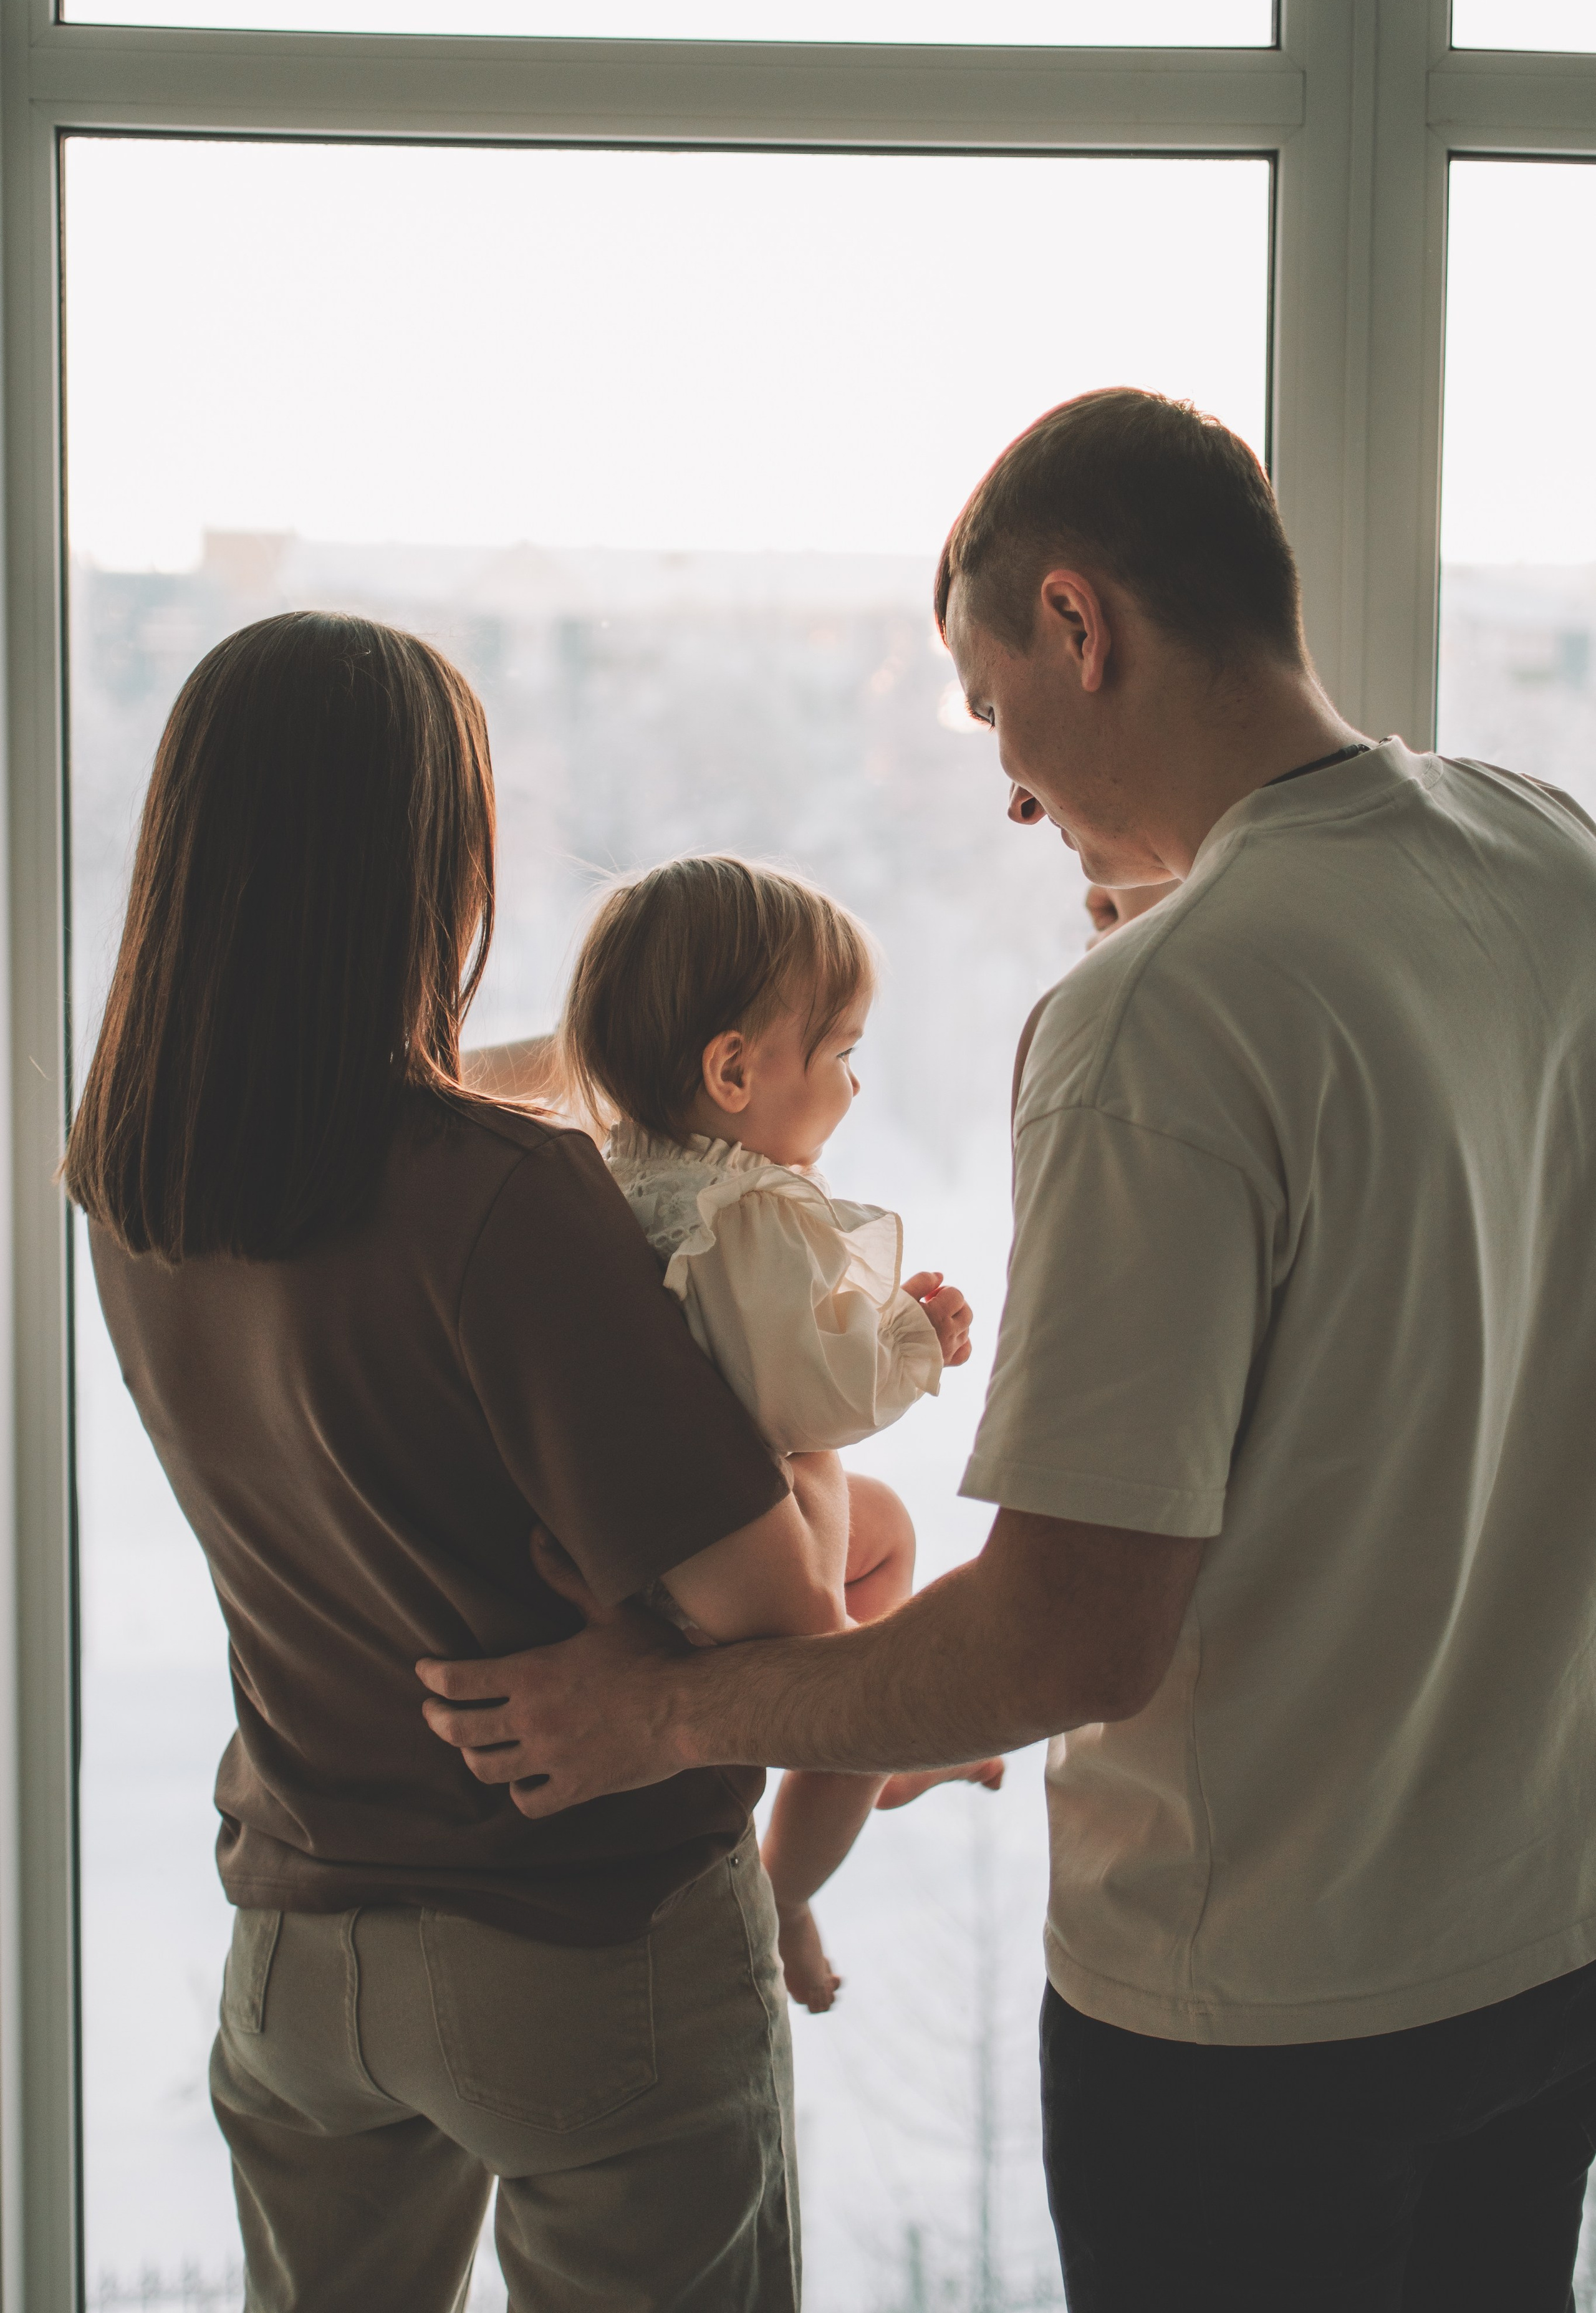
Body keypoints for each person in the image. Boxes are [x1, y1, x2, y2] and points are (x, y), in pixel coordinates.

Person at [421, 387, 1596, 2312]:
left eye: (989, 709)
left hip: (1254, 2024)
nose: (1010, 788)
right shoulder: (1552, 863)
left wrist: (664, 1717)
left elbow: (1074, 1632)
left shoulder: (1164, 1016)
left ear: (1079, 626)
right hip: (1543, 1954)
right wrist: (887, 1704)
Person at [65, 611, 850, 2313]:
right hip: (583, 1946)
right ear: (432, 863)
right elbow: (780, 1611)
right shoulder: (504, 1207)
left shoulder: (136, 1184)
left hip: (298, 1951)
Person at [560, 852, 998, 2012]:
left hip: (657, 1538)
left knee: (889, 1533)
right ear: (735, 1069)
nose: (855, 1087)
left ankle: (879, 1773)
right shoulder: (745, 1211)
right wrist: (915, 1340)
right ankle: (793, 1882)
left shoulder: (628, 1171)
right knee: (860, 1671)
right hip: (726, 1564)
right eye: (843, 1053)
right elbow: (803, 1395)